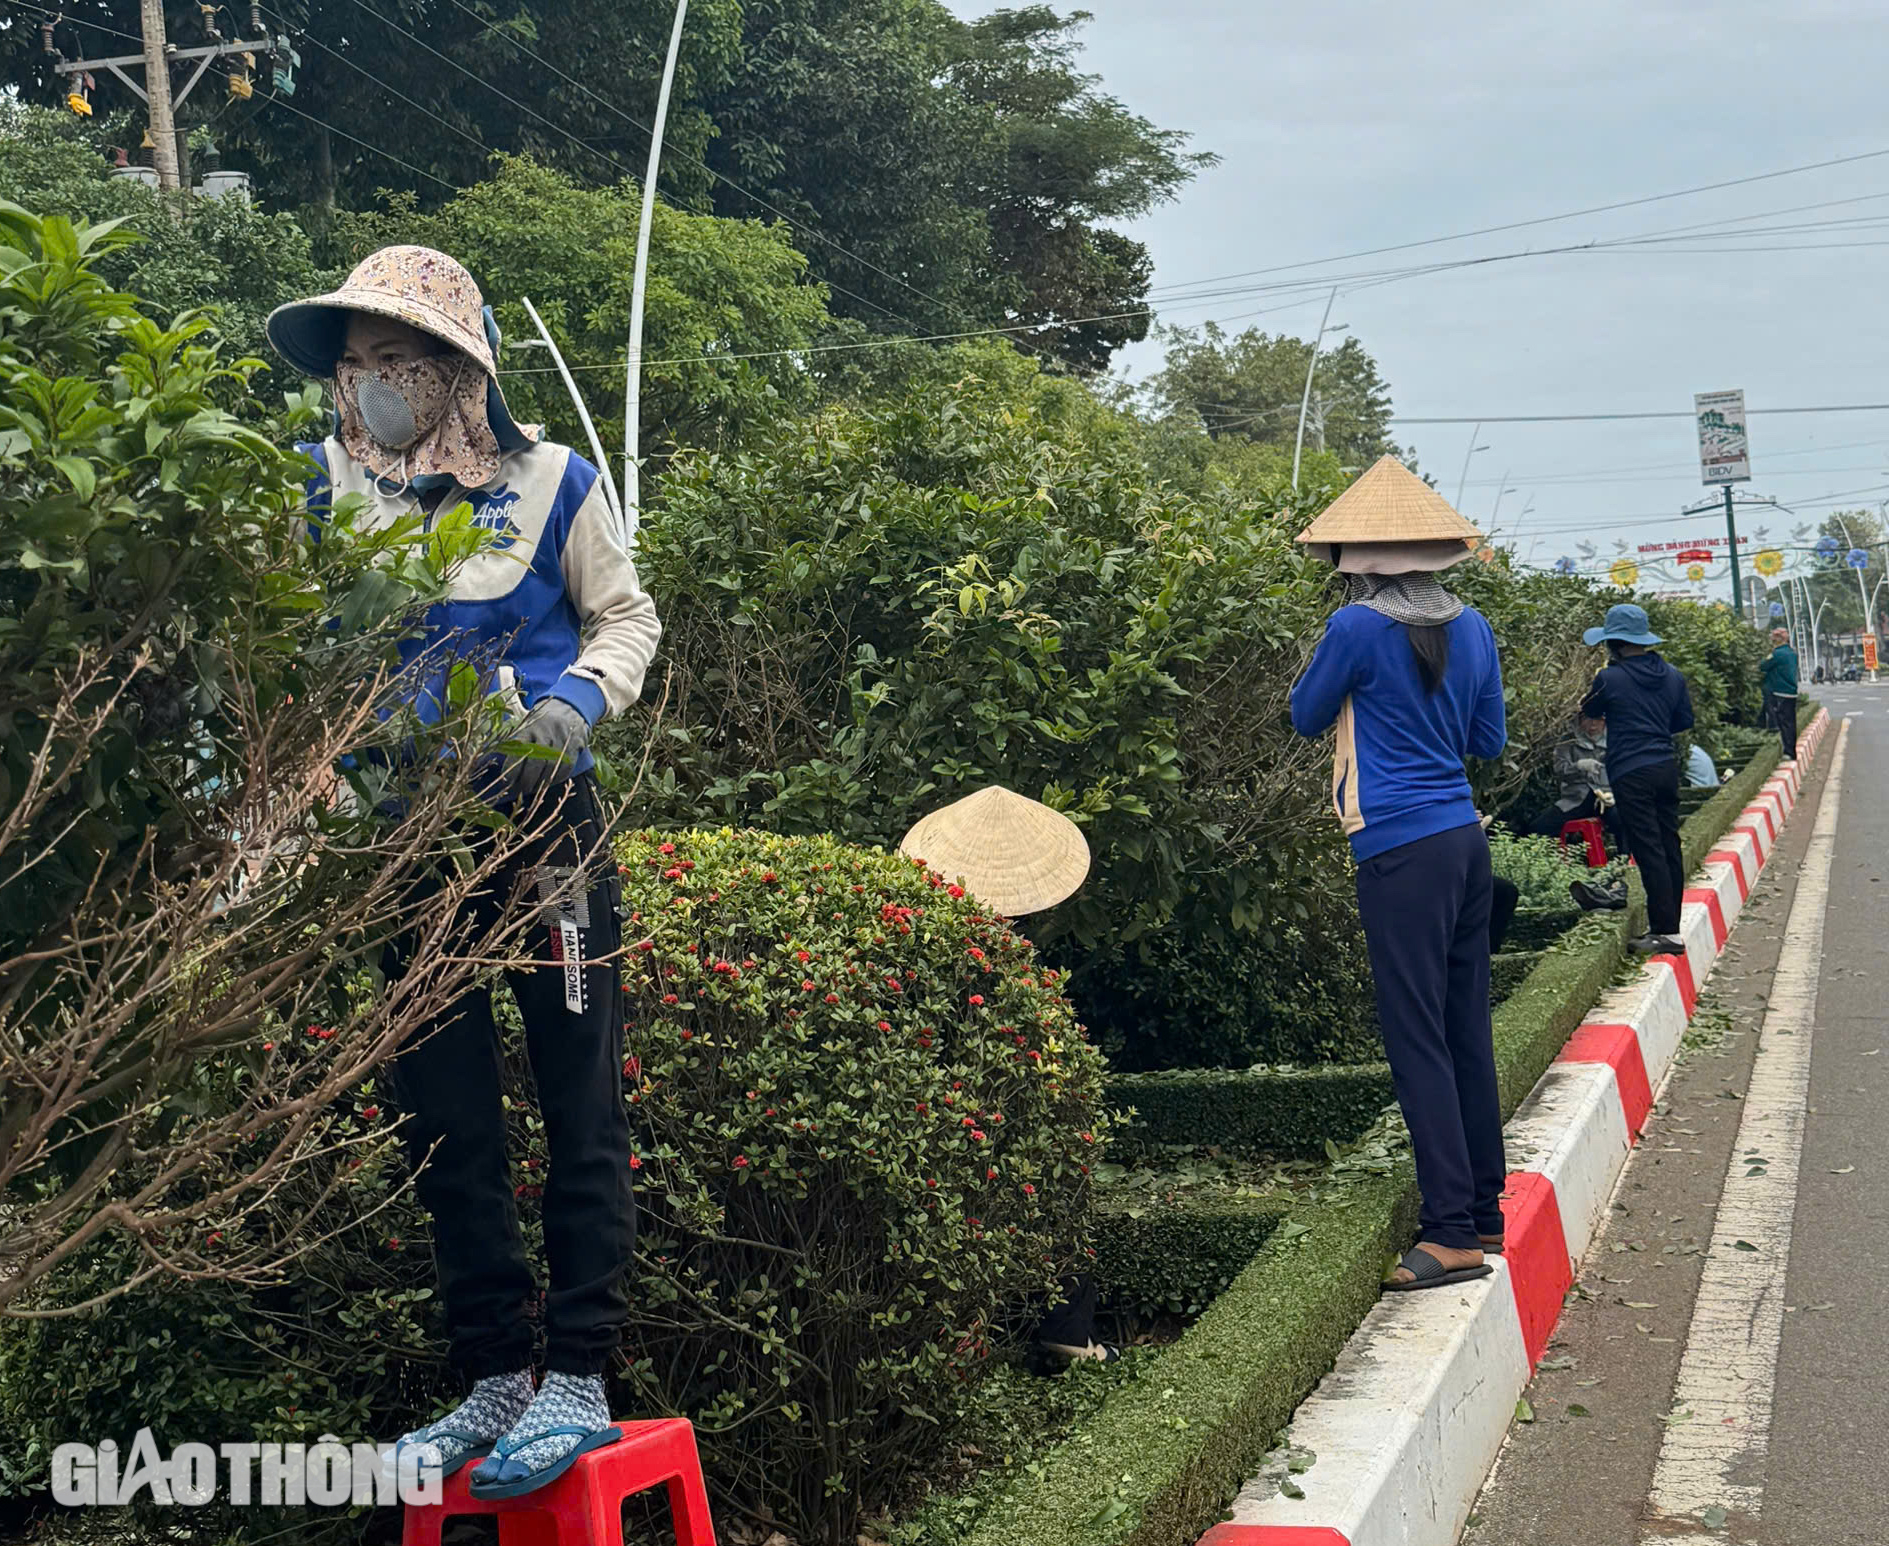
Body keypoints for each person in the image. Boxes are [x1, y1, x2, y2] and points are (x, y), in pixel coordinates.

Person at [267, 247, 663, 1498]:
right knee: (445, 1113)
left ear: (456, 369)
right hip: (402, 853)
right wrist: (313, 770)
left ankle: (581, 1373)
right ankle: (490, 1369)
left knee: (575, 1094)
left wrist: (568, 710)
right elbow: (278, 643)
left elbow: (626, 617)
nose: (372, 384)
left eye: (396, 361)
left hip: (544, 835)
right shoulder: (321, 490)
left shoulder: (552, 482)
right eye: (355, 363)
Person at [1289, 456, 1507, 1293]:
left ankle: (1450, 1232)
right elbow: (1486, 742)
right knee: (1462, 1029)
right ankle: (1484, 1205)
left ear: (1357, 557)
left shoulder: (1354, 630)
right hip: (1462, 841)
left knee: (1415, 1037)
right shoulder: (1476, 627)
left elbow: (1305, 716)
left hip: (1398, 849)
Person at [897, 786, 1118, 1373]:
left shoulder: (930, 960)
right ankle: (1066, 1332)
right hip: (992, 1140)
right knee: (1054, 1189)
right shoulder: (1014, 977)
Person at [1579, 604, 1694, 957]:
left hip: (1630, 770)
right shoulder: (1673, 675)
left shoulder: (1609, 678)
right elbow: (1681, 721)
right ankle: (1671, 925)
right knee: (1669, 844)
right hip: (1664, 766)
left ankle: (1664, 932)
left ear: (1613, 642)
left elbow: (1591, 712)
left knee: (1647, 848)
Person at [1522, 714, 1620, 845]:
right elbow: (1559, 770)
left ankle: (1625, 861)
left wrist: (1616, 793)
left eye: (1598, 720)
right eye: (1588, 719)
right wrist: (1579, 766)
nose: (1593, 725)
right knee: (1538, 829)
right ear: (1580, 719)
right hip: (1576, 799)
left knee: (1623, 819)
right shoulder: (1568, 741)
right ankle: (1554, 862)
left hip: (1608, 798)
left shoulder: (1617, 740)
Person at [1761, 626, 1799, 760]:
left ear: (1777, 639)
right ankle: (1791, 750)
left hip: (1779, 692)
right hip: (1791, 692)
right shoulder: (1792, 653)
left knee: (1783, 723)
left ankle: (1788, 752)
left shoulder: (1776, 654)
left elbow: (1763, 666)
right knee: (1790, 722)